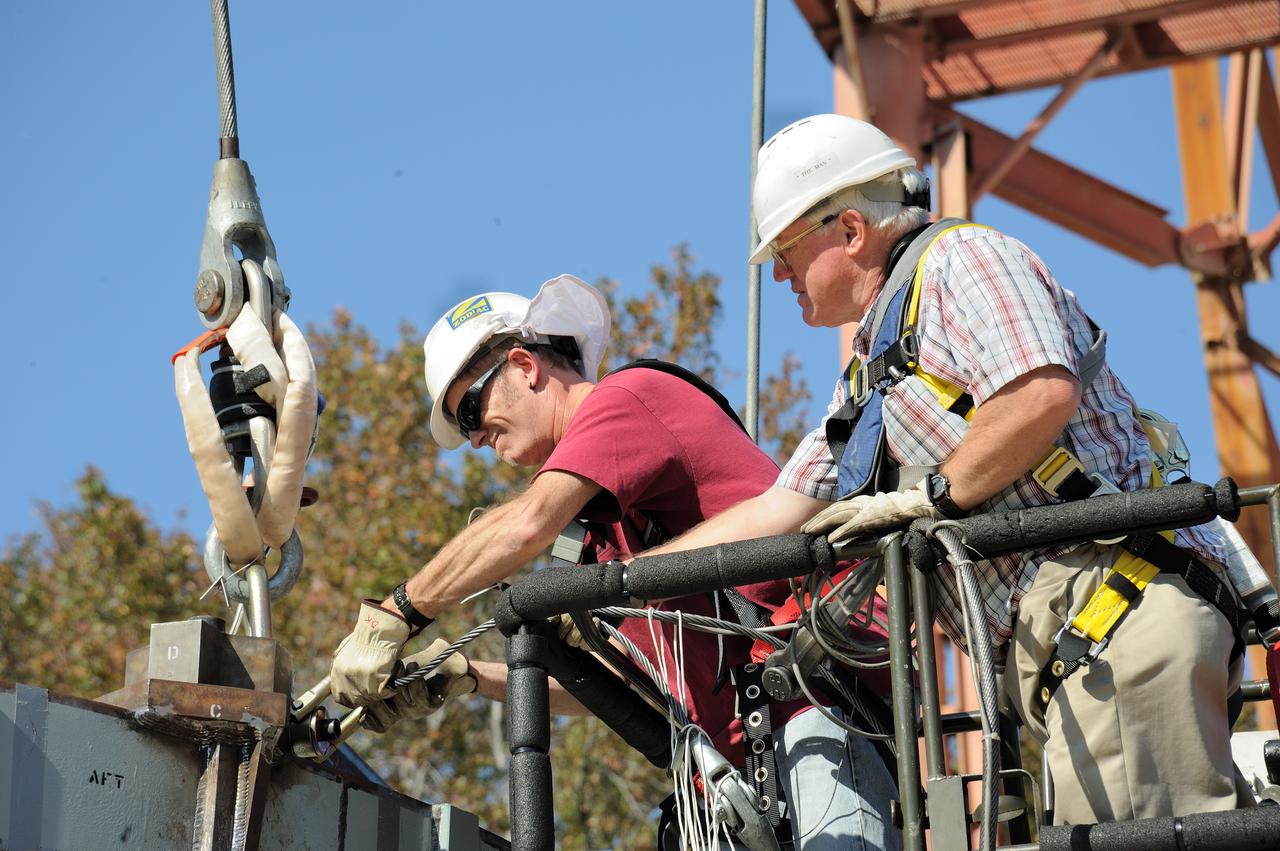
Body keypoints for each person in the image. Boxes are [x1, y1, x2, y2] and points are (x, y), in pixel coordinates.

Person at [641, 113, 1245, 825]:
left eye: (784, 249)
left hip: (1112, 614)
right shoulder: (874, 371)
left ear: (849, 231)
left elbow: (1037, 393)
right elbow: (781, 507)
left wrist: (928, 497)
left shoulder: (964, 261)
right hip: (1072, 656)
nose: (779, 274)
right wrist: (621, 586)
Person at [328, 274, 900, 850]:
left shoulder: (627, 399)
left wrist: (398, 613)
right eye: (461, 426)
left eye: (470, 410)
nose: (474, 438)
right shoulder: (599, 534)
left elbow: (525, 522)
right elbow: (613, 683)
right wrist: (471, 678)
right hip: (739, 777)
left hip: (812, 715)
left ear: (525, 365)